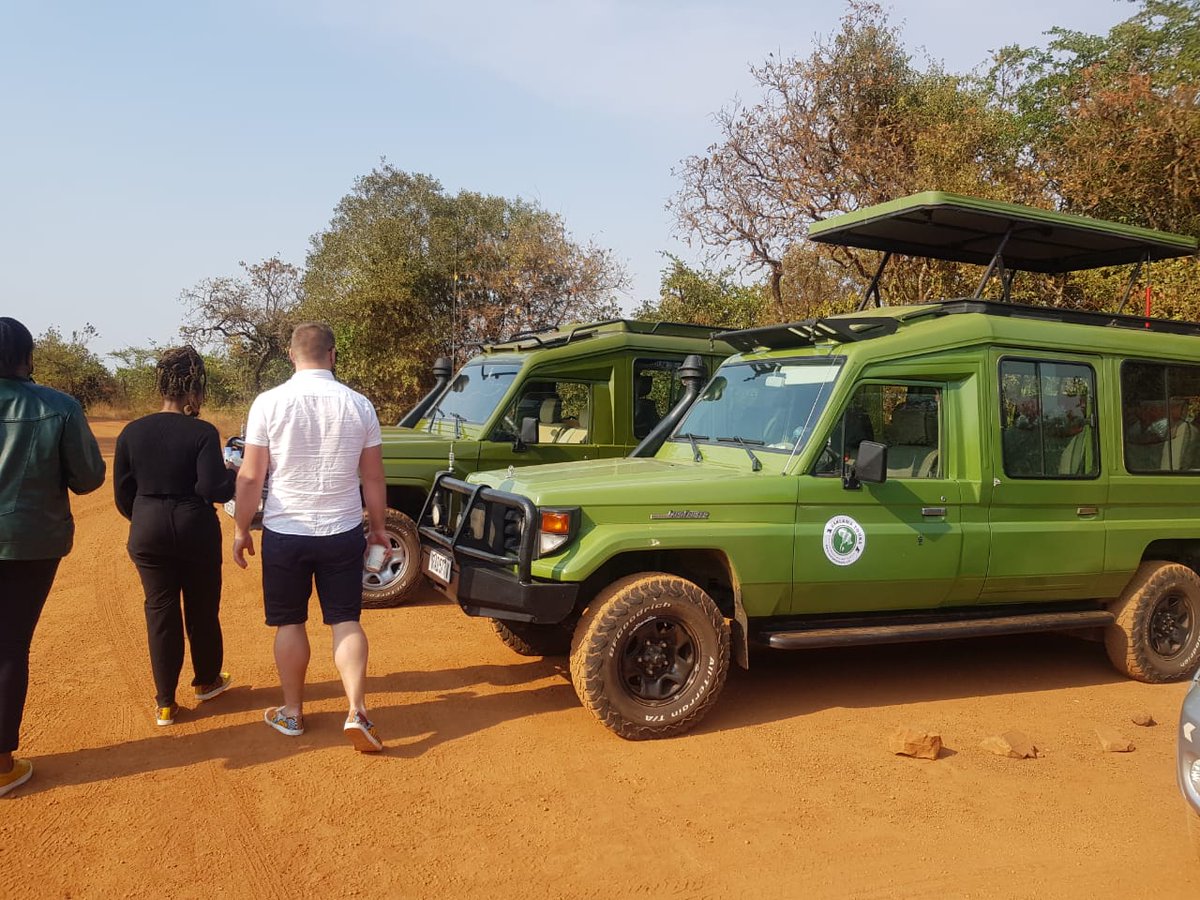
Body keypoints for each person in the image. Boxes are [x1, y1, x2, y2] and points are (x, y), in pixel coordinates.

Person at [232, 322, 389, 752]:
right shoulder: (360, 405)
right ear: (333, 355)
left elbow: (251, 477)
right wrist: (378, 528)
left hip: (286, 531)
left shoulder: (268, 403)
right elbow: (373, 477)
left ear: (290, 355)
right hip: (342, 530)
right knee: (345, 620)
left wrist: (241, 529)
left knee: (290, 622)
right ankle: (356, 711)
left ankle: (293, 713)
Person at [0, 316, 106, 797]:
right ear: (28, 357)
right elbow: (88, 478)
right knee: (9, 644)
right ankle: (2, 765)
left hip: (32, 543)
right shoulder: (58, 407)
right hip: (31, 543)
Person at [113, 347, 235, 727]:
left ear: (161, 385)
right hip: (195, 526)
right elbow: (214, 488)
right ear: (195, 387)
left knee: (160, 610)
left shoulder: (131, 432)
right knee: (202, 606)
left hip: (147, 528)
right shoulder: (202, 432)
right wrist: (233, 474)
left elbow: (123, 495)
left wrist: (146, 517)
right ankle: (207, 681)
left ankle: (165, 702)